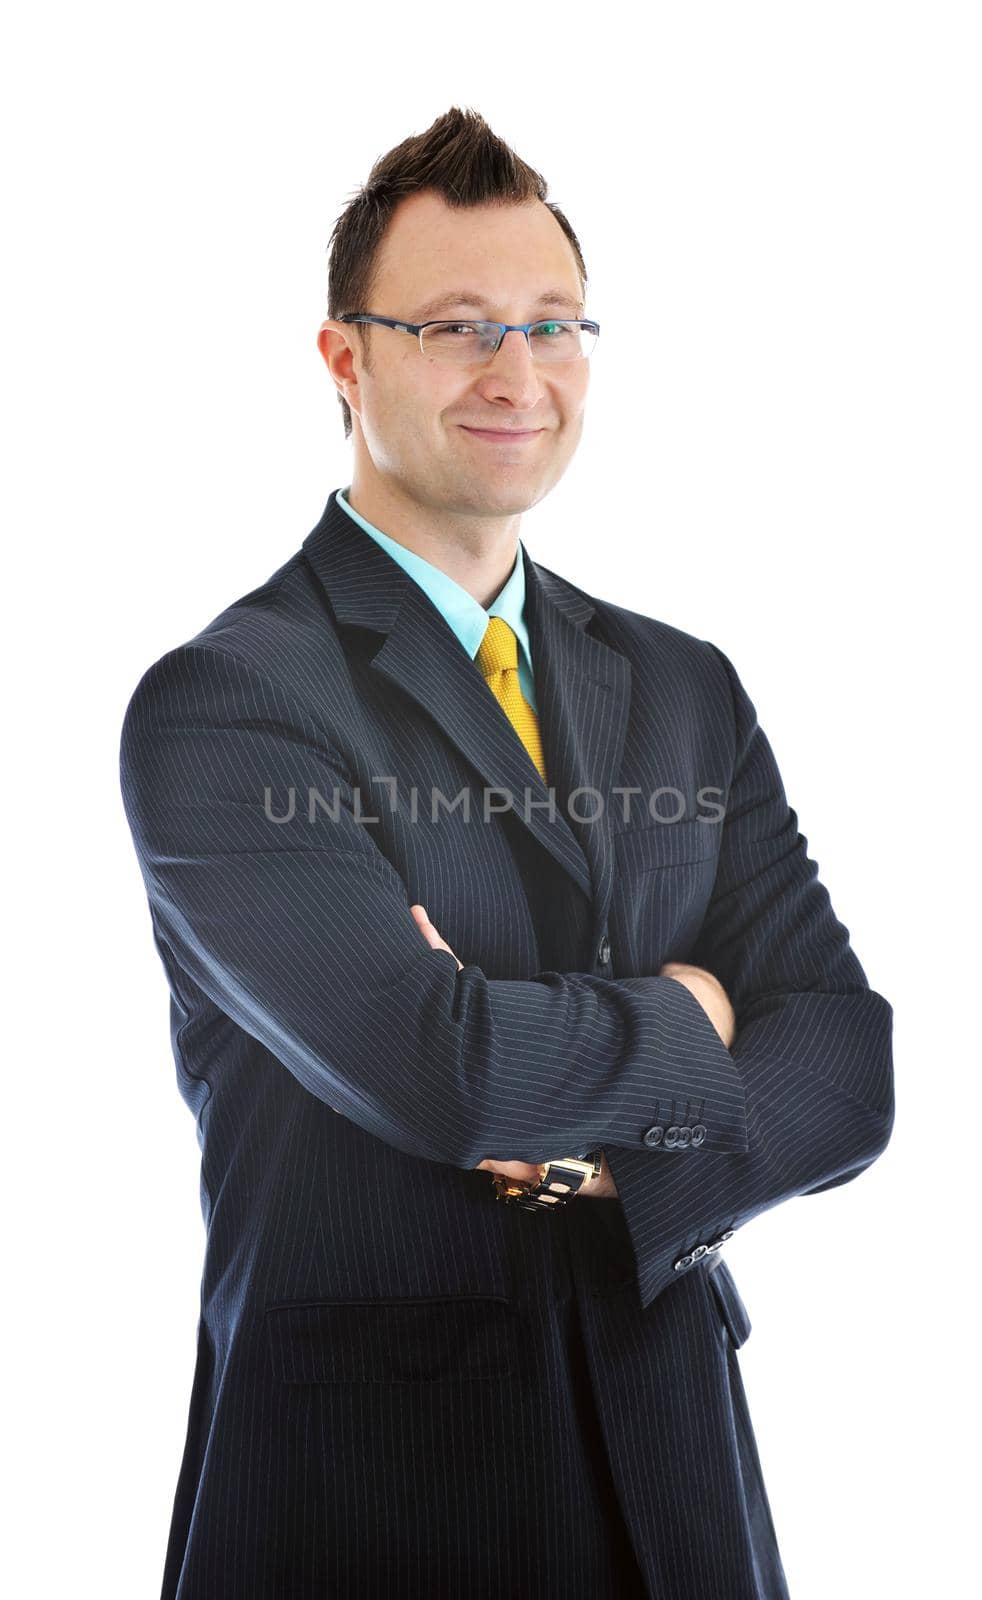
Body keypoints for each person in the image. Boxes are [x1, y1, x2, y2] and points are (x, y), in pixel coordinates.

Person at [119, 106, 894, 1599]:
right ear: (345, 356)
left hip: (676, 1486)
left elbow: (852, 1065)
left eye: (553, 325)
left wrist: (585, 1172)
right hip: (371, 1499)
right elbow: (443, 1068)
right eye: (459, 327)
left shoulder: (682, 686)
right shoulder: (229, 705)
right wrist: (701, 1018)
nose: (516, 374)